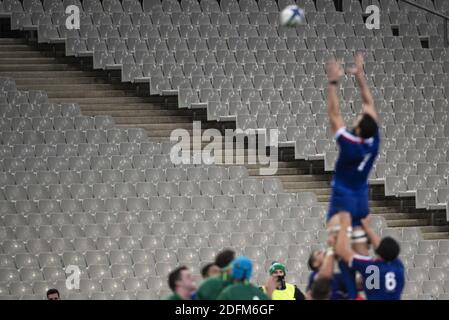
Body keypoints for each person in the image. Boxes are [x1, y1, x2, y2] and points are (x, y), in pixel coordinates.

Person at [325, 52, 380, 252]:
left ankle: (344, 275)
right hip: (361, 197)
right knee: (360, 247)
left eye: (356, 119)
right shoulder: (373, 141)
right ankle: (362, 278)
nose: (356, 118)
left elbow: (334, 114)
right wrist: (360, 76)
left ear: (357, 130)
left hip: (344, 195)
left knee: (335, 243)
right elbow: (369, 104)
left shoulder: (349, 144)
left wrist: (332, 82)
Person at [335, 213, 405, 300]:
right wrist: (366, 227)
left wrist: (345, 224)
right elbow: (382, 248)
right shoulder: (398, 265)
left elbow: (341, 250)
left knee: (343, 263)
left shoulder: (371, 267)